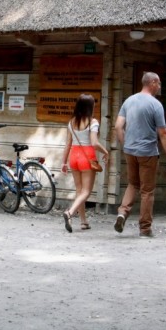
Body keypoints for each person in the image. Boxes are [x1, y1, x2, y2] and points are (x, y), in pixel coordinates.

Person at [113, 72, 166, 238]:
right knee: (147, 191)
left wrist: (125, 145)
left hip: (130, 151)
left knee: (133, 184)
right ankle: (145, 228)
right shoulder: (155, 105)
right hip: (148, 152)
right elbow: (163, 132)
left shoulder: (129, 101)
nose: (160, 87)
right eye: (159, 83)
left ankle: (122, 213)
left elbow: (118, 126)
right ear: (153, 82)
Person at [61, 94, 110, 233]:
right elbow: (94, 143)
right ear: (90, 107)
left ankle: (83, 222)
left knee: (79, 190)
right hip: (87, 157)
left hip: (73, 157)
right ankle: (70, 213)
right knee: (86, 191)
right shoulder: (93, 122)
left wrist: (63, 162)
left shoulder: (71, 122)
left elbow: (67, 144)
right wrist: (105, 151)